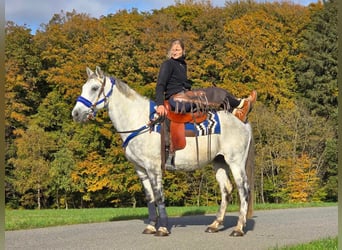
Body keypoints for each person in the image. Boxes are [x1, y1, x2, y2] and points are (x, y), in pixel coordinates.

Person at [155, 39, 257, 122]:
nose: (174, 52)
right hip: (176, 99)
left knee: (212, 93)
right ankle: (242, 103)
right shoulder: (167, 64)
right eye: (173, 50)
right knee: (212, 93)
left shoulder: (183, 65)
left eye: (177, 50)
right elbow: (160, 84)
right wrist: (160, 104)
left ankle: (235, 112)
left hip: (185, 95)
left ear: (183, 51)